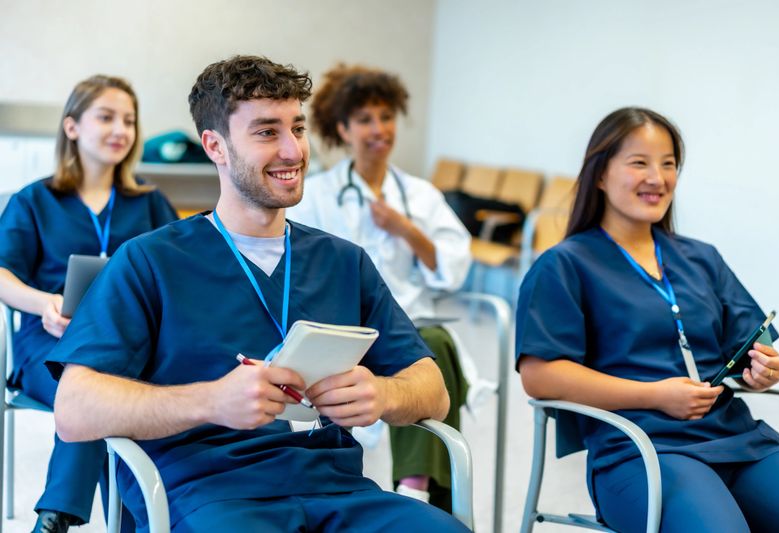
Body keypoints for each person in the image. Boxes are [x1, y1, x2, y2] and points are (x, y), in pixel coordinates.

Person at [46, 55, 469, 533]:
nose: (293, 151)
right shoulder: (151, 262)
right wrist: (209, 401)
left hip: (338, 492)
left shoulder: (342, 262)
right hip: (210, 496)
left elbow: (432, 388)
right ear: (215, 146)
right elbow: (74, 409)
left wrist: (383, 393)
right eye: (267, 132)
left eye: (298, 128)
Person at [515, 107, 779, 533]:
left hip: (739, 441)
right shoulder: (564, 265)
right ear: (599, 175)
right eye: (639, 163)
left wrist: (766, 368)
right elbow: (540, 377)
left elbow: (752, 346)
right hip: (639, 450)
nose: (658, 177)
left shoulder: (701, 257)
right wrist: (654, 396)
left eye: (668, 164)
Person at [0, 74, 177, 533]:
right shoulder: (34, 201)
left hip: (130, 346)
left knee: (115, 387)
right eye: (107, 117)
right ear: (73, 127)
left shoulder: (152, 203)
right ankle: (76, 517)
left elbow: (175, 278)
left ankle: (62, 517)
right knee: (95, 392)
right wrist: (44, 303)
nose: (121, 129)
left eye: (129, 121)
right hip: (50, 343)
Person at [289, 63, 471, 510]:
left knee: (430, 345)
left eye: (386, 117)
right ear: (343, 129)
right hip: (341, 331)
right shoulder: (315, 194)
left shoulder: (420, 196)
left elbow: (453, 268)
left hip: (410, 326)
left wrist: (406, 228)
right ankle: (427, 503)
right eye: (365, 119)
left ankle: (413, 488)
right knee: (430, 351)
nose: (379, 129)